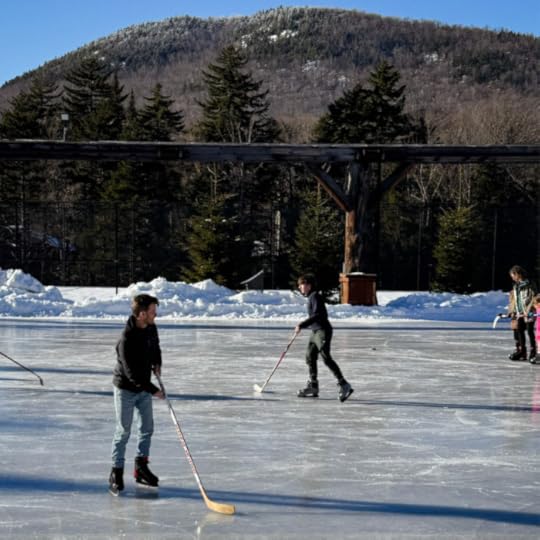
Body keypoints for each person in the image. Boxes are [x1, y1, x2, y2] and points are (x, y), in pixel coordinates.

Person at [109, 294, 164, 495]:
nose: (155, 315)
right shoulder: (126, 339)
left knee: (147, 428)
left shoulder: (151, 328)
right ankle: (116, 472)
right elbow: (131, 374)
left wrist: (157, 363)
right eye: (151, 312)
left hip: (144, 388)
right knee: (123, 431)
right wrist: (154, 390)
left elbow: (156, 348)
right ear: (141, 314)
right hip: (126, 389)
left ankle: (141, 468)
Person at [295, 274, 354, 402]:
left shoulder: (315, 296)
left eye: (301, 284)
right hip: (315, 332)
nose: (300, 287)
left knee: (326, 357)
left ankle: (344, 384)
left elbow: (318, 315)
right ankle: (313, 386)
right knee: (310, 356)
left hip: (323, 331)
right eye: (299, 285)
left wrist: (302, 324)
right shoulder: (311, 297)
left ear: (309, 285)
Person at [507, 265, 536, 362]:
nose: (512, 278)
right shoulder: (516, 286)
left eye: (512, 275)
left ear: (517, 274)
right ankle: (522, 351)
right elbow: (515, 300)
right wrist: (512, 311)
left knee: (530, 331)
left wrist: (528, 310)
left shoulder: (530, 284)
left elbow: (534, 297)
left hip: (529, 312)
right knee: (519, 330)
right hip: (520, 312)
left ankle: (533, 352)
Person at [531, 294, 540, 365]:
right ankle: (539, 354)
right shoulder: (537, 310)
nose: (535, 305)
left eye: (536, 303)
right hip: (538, 330)